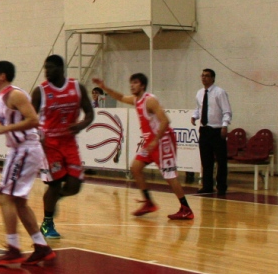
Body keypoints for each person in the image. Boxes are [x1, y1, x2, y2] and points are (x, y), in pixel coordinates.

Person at [0, 60, 55, 266]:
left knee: (4, 197)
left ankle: (13, 248)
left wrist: (5, 129)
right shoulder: (0, 97)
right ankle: (41, 247)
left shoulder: (15, 94)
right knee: (18, 201)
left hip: (25, 149)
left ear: (2, 76)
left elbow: (34, 120)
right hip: (20, 150)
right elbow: (7, 124)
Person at [94, 74, 194, 220]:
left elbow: (165, 121)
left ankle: (186, 209)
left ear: (142, 86)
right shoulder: (136, 100)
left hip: (163, 141)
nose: (132, 85)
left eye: (135, 83)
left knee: (170, 177)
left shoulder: (150, 100)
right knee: (135, 168)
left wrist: (155, 141)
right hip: (151, 142)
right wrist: (104, 87)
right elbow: (120, 97)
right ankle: (148, 202)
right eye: (131, 83)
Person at [31, 55, 94, 239]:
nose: (46, 71)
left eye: (49, 68)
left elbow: (90, 113)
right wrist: (35, 138)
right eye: (45, 68)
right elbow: (30, 118)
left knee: (75, 185)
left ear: (60, 68)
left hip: (69, 142)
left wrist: (81, 125)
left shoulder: (77, 87)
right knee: (55, 183)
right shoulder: (40, 91)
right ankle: (47, 223)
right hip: (49, 144)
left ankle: (55, 198)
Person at [192, 68, 232, 196]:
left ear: (213, 78)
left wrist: (224, 126)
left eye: (207, 76)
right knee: (206, 160)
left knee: (221, 160)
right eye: (202, 75)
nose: (204, 78)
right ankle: (207, 185)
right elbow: (199, 108)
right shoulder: (199, 93)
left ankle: (221, 186)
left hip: (217, 130)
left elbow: (227, 111)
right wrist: (194, 116)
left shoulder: (220, 92)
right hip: (204, 129)